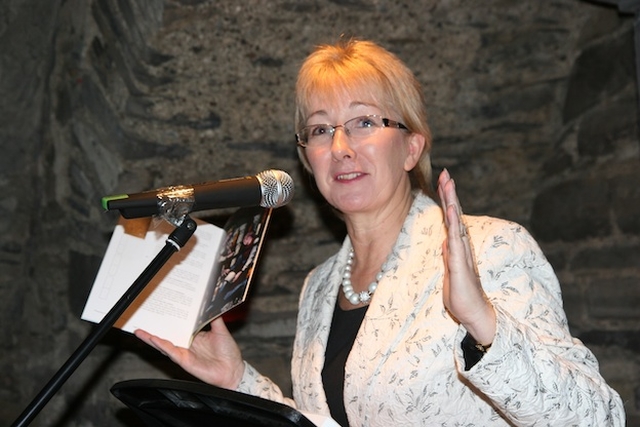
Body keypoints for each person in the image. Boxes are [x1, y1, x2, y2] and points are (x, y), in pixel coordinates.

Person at [135, 38, 626, 426]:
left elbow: (597, 419)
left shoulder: (494, 247)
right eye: (321, 130)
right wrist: (238, 381)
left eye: (364, 122)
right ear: (307, 159)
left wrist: (484, 324)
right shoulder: (320, 286)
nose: (341, 147)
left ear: (411, 149)